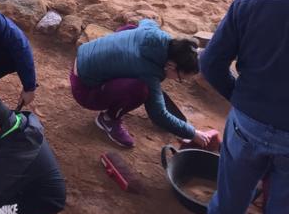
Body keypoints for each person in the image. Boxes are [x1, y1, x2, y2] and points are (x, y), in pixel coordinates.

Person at [195, 0, 289, 214]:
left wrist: (241, 97)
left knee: (230, 198)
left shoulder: (250, 4)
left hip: (247, 124)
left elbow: (210, 63)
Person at [70, 18, 220, 150]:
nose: (176, 80)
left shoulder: (155, 33)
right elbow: (159, 114)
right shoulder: (149, 73)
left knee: (131, 29)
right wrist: (193, 133)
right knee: (140, 90)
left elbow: (146, 20)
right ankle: (108, 120)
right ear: (172, 66)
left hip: (83, 60)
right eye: (180, 78)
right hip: (84, 88)